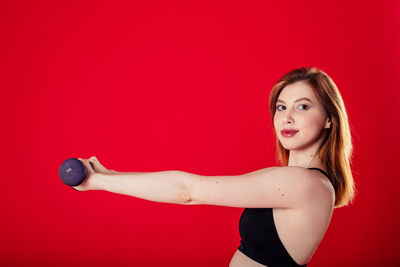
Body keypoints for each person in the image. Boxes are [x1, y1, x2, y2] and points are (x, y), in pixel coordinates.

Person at [73, 66, 355, 267]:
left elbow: (188, 191)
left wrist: (98, 182)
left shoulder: (303, 183)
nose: (287, 117)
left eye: (303, 107)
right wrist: (111, 174)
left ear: (329, 119)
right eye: (281, 107)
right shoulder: (305, 181)